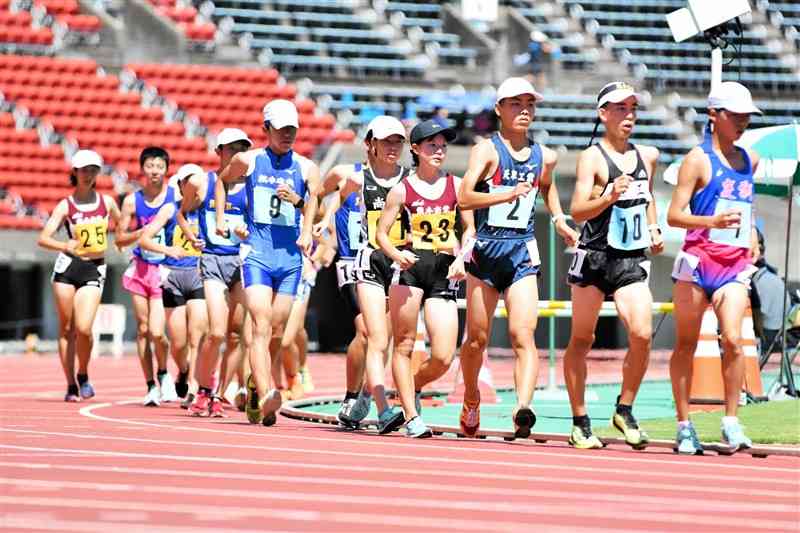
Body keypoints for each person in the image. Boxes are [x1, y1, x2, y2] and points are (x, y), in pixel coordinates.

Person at [457, 77, 578, 439]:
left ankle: (523, 407)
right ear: (499, 109)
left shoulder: (546, 155)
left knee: (522, 333)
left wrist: (558, 218)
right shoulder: (487, 151)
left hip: (522, 250)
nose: (524, 110)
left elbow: (546, 184)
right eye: (515, 104)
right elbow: (464, 197)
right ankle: (471, 397)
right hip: (486, 249)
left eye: (529, 104)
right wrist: (504, 195)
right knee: (477, 339)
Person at [564, 82, 663, 450]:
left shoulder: (647, 155)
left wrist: (653, 228)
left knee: (641, 333)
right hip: (593, 256)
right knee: (582, 339)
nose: (629, 115)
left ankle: (625, 408)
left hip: (629, 259)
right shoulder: (592, 157)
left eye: (633, 108)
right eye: (620, 109)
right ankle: (580, 419)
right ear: (603, 113)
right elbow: (577, 211)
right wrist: (608, 196)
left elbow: (648, 196)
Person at [667, 81, 762, 455]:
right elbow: (676, 215)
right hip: (697, 262)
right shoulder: (697, 160)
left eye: (746, 117)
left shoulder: (749, 161)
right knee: (686, 344)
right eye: (735, 115)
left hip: (733, 265)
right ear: (714, 115)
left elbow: (746, 207)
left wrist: (751, 231)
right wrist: (712, 223)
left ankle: (731, 421)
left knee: (735, 340)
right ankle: (684, 424)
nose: (742, 123)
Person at [215, 99, 319, 427]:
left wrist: (305, 230)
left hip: (290, 259)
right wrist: (220, 217)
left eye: (292, 129)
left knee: (277, 330)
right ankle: (266, 391)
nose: (288, 134)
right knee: (259, 324)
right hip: (257, 254)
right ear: (266, 129)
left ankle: (254, 382)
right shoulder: (248, 161)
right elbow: (221, 181)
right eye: (281, 129)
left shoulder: (306, 168)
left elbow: (315, 202)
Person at [376, 119, 475, 438]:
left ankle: (412, 386)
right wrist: (396, 254)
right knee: (403, 344)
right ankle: (410, 415)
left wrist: (462, 257)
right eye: (432, 145)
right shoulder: (401, 190)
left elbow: (470, 229)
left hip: (444, 270)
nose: (439, 150)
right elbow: (381, 234)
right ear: (415, 149)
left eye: (443, 145)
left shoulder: (457, 186)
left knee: (445, 355)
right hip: (411, 267)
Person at [313, 115, 410, 433]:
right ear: (369, 144)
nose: (393, 147)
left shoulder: (408, 181)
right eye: (386, 141)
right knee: (367, 331)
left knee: (385, 335)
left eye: (398, 141)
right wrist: (322, 233)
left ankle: (366, 395)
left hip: (390, 262)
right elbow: (318, 195)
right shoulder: (347, 174)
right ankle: (353, 396)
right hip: (353, 261)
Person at [176, 128, 253, 412]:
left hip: (242, 261)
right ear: (219, 152)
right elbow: (182, 213)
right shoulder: (203, 182)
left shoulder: (251, 186)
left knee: (237, 334)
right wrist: (191, 236)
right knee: (217, 332)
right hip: (213, 259)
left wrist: (248, 232)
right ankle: (203, 390)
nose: (236, 154)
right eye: (231, 149)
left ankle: (219, 393)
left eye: (241, 149)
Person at [37, 150, 121, 401]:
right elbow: (43, 238)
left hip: (94, 268)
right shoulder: (66, 205)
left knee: (84, 328)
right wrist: (64, 245)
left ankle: (83, 373)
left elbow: (124, 226)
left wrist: (123, 242)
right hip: (67, 268)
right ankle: (71, 384)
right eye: (84, 170)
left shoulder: (107, 203)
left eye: (93, 170)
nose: (88, 174)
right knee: (66, 329)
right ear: (74, 172)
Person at [139, 164, 210, 415]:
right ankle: (183, 370)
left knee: (197, 336)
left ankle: (193, 385)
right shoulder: (170, 210)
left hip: (200, 275)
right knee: (178, 343)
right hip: (173, 277)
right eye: (187, 183)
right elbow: (145, 239)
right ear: (180, 186)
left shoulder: (207, 208)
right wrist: (169, 250)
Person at [116, 147, 176, 407]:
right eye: (150, 166)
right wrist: (142, 233)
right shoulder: (132, 201)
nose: (154, 171)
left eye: (159, 166)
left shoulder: (175, 197)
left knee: (157, 332)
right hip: (141, 268)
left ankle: (163, 372)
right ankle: (150, 385)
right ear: (143, 168)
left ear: (166, 169)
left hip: (165, 270)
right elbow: (118, 239)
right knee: (142, 330)